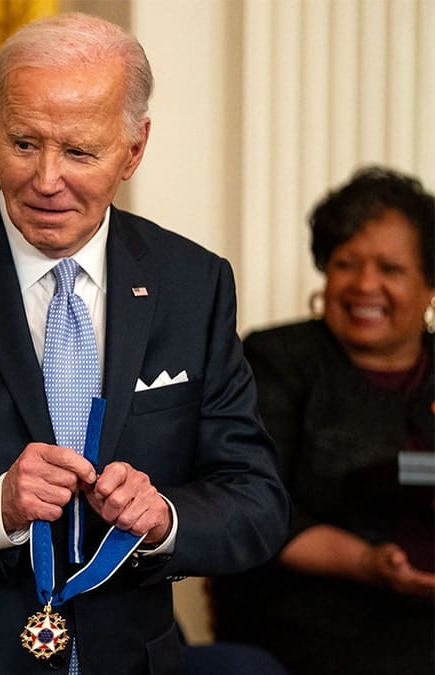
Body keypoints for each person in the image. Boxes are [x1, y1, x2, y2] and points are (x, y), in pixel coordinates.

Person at [0, 12, 289, 675]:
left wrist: (164, 516)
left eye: (79, 152)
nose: (45, 179)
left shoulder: (193, 283)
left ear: (134, 149)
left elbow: (256, 502)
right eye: (23, 143)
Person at [209, 166, 435, 674]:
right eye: (345, 264)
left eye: (390, 269)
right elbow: (254, 504)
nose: (364, 285)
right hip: (308, 624)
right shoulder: (276, 359)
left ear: (429, 286)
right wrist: (367, 563)